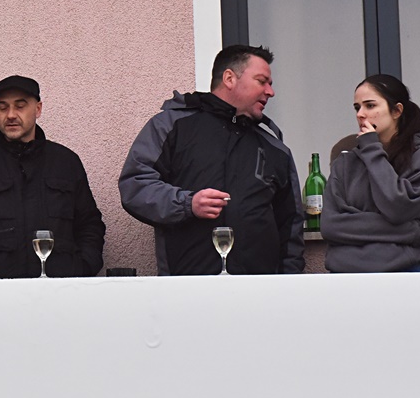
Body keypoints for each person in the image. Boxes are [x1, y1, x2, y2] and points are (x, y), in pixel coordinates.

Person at [119, 44, 303, 275]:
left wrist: (289, 282)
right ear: (229, 78)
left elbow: (291, 225)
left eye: (270, 84)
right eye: (261, 81)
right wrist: (187, 204)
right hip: (187, 285)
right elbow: (135, 185)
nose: (270, 92)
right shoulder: (172, 126)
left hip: (259, 288)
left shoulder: (276, 149)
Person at [0, 76, 106, 278]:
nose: (11, 115)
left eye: (20, 106)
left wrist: (81, 267)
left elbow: (90, 225)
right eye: (2, 107)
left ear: (38, 109)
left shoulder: (66, 162)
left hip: (60, 287)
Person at [320, 74, 420, 272]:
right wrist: (410, 230)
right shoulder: (345, 163)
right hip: (346, 276)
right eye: (357, 107)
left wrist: (372, 149)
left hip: (404, 274)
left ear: (397, 110)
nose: (360, 114)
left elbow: (397, 207)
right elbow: (330, 225)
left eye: (370, 105)